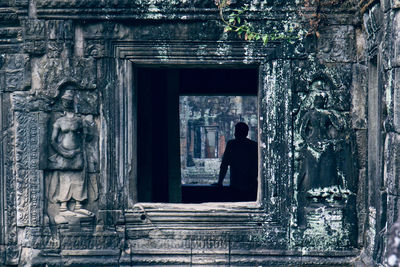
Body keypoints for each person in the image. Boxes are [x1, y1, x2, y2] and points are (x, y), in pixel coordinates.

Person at [48, 88, 94, 219]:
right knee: (65, 178)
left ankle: (79, 205)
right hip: (64, 153)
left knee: (79, 178)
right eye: (64, 101)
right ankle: (63, 206)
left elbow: (88, 138)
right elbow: (53, 141)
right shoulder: (59, 121)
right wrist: (63, 153)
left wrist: (88, 125)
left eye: (68, 100)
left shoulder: (79, 120)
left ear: (74, 101)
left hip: (78, 152)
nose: (66, 103)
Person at [216, 122, 258, 201]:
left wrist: (220, 182)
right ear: (246, 132)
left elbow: (224, 164)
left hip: (236, 183)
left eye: (236, 131)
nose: (235, 133)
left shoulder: (232, 144)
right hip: (251, 184)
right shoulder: (254, 145)